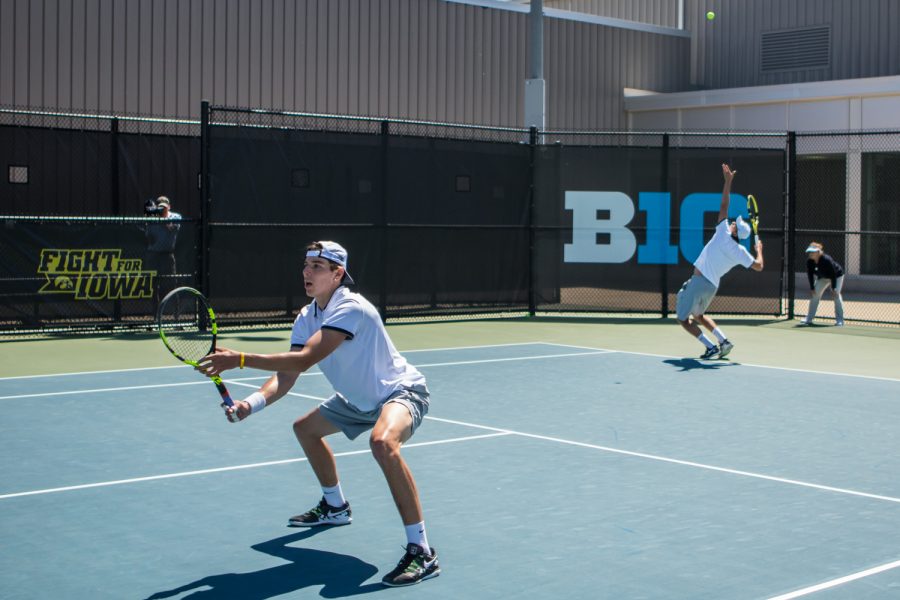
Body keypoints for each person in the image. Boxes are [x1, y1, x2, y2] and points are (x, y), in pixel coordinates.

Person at [198, 241, 440, 588]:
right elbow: (286, 377)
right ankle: (335, 507)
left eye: (316, 266)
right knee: (305, 429)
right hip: (355, 401)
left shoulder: (350, 307)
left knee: (383, 443)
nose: (306, 272)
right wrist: (250, 404)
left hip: (399, 392)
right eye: (306, 264)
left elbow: (303, 359)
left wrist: (240, 359)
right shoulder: (306, 317)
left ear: (337, 274)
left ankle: (422, 551)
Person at [675, 164, 765, 359]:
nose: (733, 222)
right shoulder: (740, 251)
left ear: (734, 232)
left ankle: (710, 347)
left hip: (699, 282)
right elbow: (759, 266)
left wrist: (728, 182)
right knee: (699, 316)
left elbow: (724, 205)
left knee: (683, 319)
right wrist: (759, 251)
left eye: (735, 224)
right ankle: (724, 341)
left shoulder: (722, 233)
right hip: (712, 286)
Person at [145, 195, 182, 300]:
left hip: (167, 256)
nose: (162, 209)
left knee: (172, 285)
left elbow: (171, 228)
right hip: (153, 256)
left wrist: (164, 217)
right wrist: (149, 219)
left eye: (164, 207)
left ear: (169, 207)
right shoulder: (152, 219)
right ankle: (156, 314)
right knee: (153, 286)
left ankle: (176, 314)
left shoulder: (176, 217)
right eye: (160, 207)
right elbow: (149, 238)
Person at [802, 241, 845, 326]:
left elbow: (833, 274)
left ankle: (840, 320)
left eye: (812, 252)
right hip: (822, 278)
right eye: (809, 252)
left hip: (836, 276)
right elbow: (810, 274)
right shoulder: (810, 262)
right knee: (814, 295)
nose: (810, 254)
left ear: (818, 252)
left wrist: (833, 288)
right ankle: (809, 319)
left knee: (836, 295)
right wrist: (812, 288)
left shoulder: (826, 260)